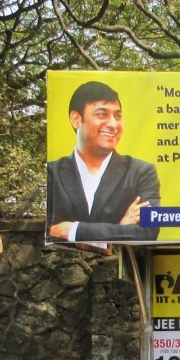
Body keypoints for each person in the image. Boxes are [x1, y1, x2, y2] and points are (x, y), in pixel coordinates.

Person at [46, 80, 161, 243]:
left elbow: (148, 231)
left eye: (118, 116)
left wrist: (72, 230)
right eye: (102, 114)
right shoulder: (52, 173)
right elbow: (47, 231)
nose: (113, 124)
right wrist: (120, 229)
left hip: (122, 266)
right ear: (76, 119)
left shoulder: (140, 172)